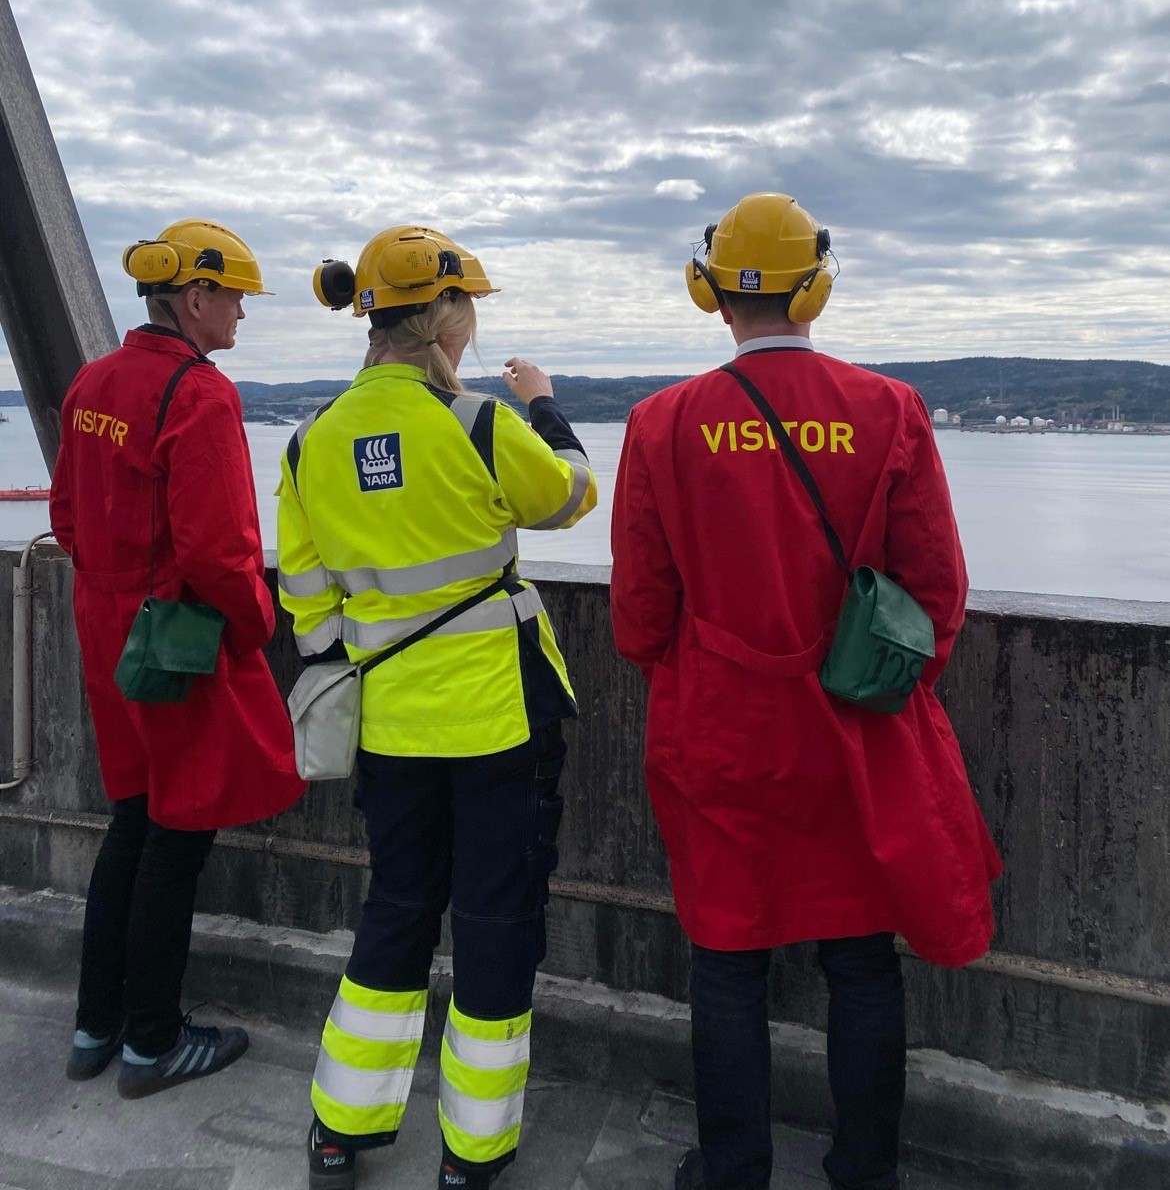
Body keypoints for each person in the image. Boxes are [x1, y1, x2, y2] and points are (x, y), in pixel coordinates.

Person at [609, 192, 1002, 1190]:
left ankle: (733, 1168)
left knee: (727, 958)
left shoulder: (659, 423)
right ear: (815, 287)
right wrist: (876, 688)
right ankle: (864, 1170)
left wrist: (697, 675)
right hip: (852, 735)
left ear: (709, 291)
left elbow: (640, 616)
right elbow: (937, 593)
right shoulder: (891, 409)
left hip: (720, 733)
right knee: (861, 959)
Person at [277, 225, 597, 1190]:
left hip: (388, 725)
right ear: (445, 315)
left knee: (397, 907)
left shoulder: (310, 441)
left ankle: (339, 1129)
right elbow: (571, 497)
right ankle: (473, 1152)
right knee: (495, 923)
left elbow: (307, 602)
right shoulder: (478, 423)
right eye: (468, 309)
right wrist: (546, 405)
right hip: (497, 722)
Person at [48, 219, 306, 1098]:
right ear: (195, 298)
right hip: (174, 639)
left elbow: (67, 517)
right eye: (234, 296)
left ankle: (96, 1025)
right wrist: (256, 625)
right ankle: (153, 1042)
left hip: (105, 626)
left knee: (132, 820)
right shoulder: (199, 394)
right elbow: (220, 553)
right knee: (178, 833)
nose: (241, 313)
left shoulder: (92, 381)